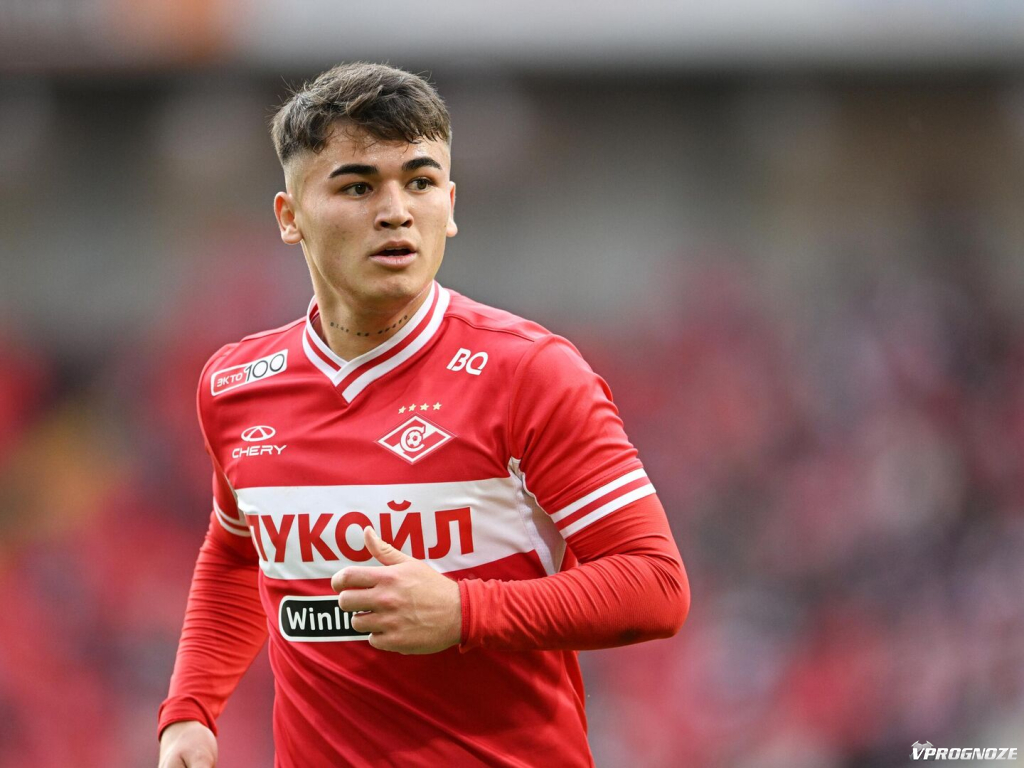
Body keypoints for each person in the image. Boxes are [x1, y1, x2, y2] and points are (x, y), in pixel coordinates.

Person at [157, 62, 690, 768]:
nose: (396, 211)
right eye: (357, 186)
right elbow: (236, 551)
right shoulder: (234, 386)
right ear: (289, 218)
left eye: (420, 181)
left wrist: (464, 613)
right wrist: (191, 711)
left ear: (451, 203)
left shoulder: (529, 373)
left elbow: (655, 585)